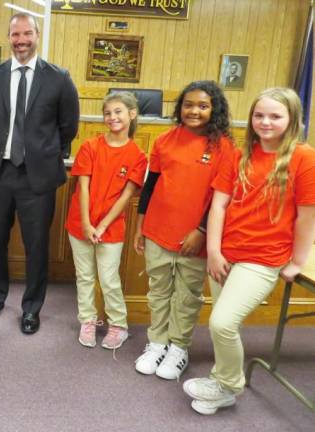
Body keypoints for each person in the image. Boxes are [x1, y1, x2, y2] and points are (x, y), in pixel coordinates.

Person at [183, 88, 315, 415]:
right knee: (225, 324)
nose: (265, 122)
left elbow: (307, 215)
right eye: (259, 115)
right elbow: (219, 206)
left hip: (264, 258)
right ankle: (223, 388)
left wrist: (298, 260)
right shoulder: (239, 155)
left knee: (222, 323)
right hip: (227, 253)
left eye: (275, 116)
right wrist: (213, 250)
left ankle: (229, 383)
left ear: (292, 119)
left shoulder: (304, 157)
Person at [0, 12, 79, 334]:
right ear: (9, 38)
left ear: (37, 35)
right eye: (15, 35)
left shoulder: (58, 78)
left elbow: (68, 127)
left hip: (38, 178)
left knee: (36, 246)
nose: (21, 41)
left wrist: (44, 153)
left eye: (27, 34)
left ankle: (31, 308)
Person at [133, 80, 233, 380]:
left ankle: (178, 348)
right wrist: (140, 226)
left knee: (187, 295)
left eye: (203, 106)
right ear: (180, 107)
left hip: (196, 237)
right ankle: (157, 343)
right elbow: (150, 187)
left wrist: (201, 231)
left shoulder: (224, 148)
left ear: (214, 109)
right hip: (157, 230)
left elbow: (220, 198)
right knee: (159, 291)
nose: (194, 111)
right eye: (188, 105)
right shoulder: (164, 140)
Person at [66, 91, 147, 350]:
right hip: (81, 224)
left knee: (109, 278)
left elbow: (126, 196)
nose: (112, 117)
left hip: (110, 228)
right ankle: (88, 320)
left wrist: (101, 225)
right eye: (108, 113)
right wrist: (88, 224)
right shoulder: (90, 146)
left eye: (118, 111)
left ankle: (118, 325)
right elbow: (84, 187)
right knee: (85, 276)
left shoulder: (138, 155)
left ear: (132, 114)